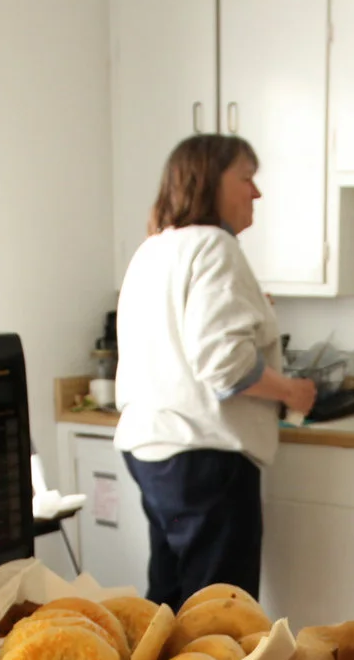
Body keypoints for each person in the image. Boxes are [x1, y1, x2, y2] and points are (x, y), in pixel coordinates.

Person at [114, 134, 316, 607]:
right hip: (205, 456)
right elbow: (224, 366)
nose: (256, 193)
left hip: (154, 451)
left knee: (168, 606)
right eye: (246, 178)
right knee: (221, 618)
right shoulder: (214, 247)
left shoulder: (155, 249)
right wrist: (291, 392)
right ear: (209, 181)